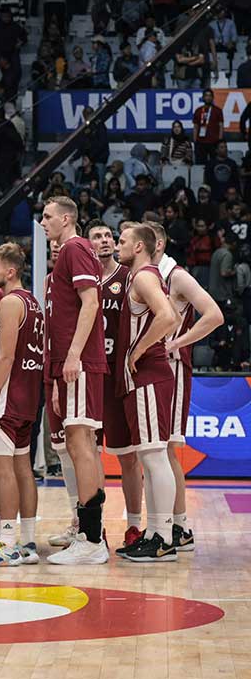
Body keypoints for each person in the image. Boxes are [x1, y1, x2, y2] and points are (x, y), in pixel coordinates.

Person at [40, 196, 110, 565]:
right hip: (70, 365)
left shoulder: (76, 248)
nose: (43, 222)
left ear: (67, 219)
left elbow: (91, 304)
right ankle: (89, 531)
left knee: (80, 443)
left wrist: (72, 356)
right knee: (83, 444)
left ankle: (92, 538)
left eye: (48, 216)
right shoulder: (63, 259)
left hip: (79, 362)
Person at [150, 224, 223, 552]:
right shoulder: (143, 275)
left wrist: (176, 343)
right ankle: (162, 526)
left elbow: (214, 315)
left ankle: (180, 527)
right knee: (153, 450)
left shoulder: (175, 275)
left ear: (159, 243)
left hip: (173, 368)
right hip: (150, 370)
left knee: (166, 449)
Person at [112, 223, 181, 563]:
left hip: (150, 375)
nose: (117, 244)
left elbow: (169, 316)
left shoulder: (143, 277)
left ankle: (165, 537)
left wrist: (137, 351)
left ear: (139, 246)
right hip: (145, 378)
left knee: (154, 457)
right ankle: (155, 532)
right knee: (150, 457)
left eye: (123, 240)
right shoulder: (138, 277)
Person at [0, 243, 43, 567]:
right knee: (22, 469)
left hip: (7, 398)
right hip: (29, 396)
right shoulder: (33, 302)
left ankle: (7, 542)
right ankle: (26, 541)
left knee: (1, 471)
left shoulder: (8, 303)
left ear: (10, 271)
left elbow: (5, 357)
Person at [86, 222, 143, 548]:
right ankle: (94, 528)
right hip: (91, 378)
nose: (105, 240)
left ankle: (134, 526)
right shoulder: (82, 279)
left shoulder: (129, 278)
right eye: (97, 236)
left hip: (119, 378)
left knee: (128, 458)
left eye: (109, 236)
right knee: (88, 457)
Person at [193, 90, 224, 165]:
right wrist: (195, 142)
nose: (208, 97)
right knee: (200, 165)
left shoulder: (218, 110)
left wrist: (220, 141)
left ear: (213, 98)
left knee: (215, 165)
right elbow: (195, 127)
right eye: (206, 95)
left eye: (210, 95)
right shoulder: (198, 111)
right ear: (203, 98)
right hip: (201, 143)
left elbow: (221, 126)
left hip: (214, 143)